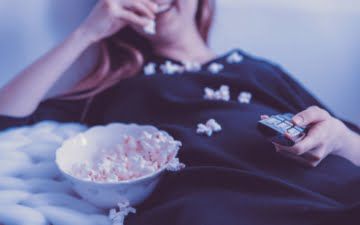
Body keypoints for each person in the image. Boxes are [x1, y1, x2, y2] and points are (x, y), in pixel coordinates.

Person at [0, 0, 359, 224]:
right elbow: (7, 117)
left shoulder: (257, 69)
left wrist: (339, 139)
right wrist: (86, 33)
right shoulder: (120, 85)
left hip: (328, 189)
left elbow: (349, 142)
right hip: (218, 203)